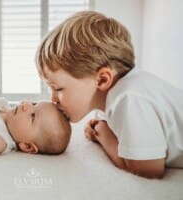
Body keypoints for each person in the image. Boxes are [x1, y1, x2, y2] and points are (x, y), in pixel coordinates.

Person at [35, 10, 183, 178]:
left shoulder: (129, 98)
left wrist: (102, 133)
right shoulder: (116, 96)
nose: (53, 99)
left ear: (102, 80)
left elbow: (148, 169)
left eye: (58, 88)